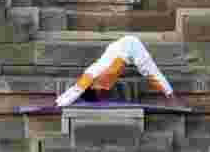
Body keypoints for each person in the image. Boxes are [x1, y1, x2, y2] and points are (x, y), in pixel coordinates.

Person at [56, 34, 188, 108]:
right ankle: (171, 96)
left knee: (151, 72)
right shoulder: (96, 77)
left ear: (93, 89)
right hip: (117, 48)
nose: (103, 93)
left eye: (99, 93)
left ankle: (172, 97)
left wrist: (60, 103)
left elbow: (77, 89)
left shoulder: (93, 76)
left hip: (129, 47)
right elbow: (77, 89)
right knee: (150, 72)